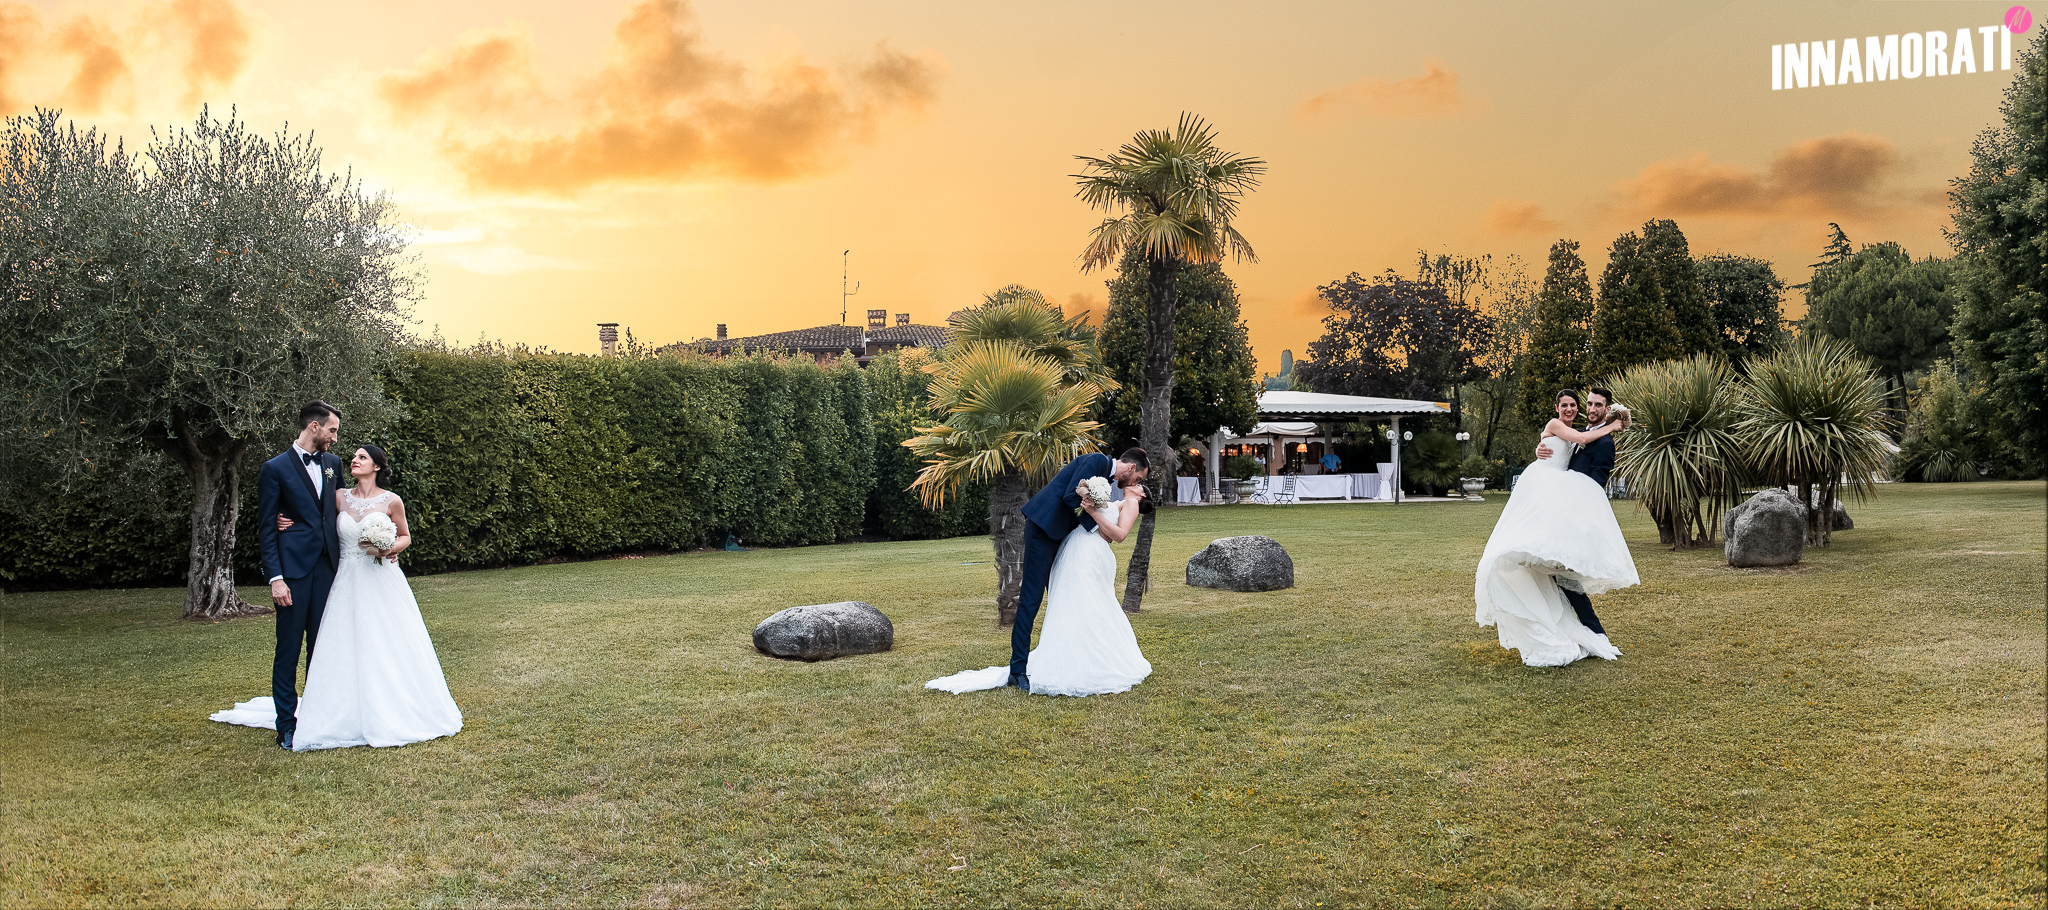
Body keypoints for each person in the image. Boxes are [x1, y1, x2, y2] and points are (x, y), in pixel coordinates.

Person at [213, 444, 462, 750]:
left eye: (362, 457)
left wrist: (389, 549)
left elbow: (405, 536)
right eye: (354, 457)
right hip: (343, 578)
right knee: (341, 644)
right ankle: (336, 710)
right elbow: (309, 516)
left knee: (384, 642)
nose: (353, 461)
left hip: (381, 579)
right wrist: (282, 516)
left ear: (377, 466)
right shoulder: (338, 497)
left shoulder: (392, 500)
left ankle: (390, 706)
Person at [926, 448, 1152, 695]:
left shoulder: (1106, 479)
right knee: (1031, 599)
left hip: (1065, 537)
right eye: (1139, 479)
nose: (1135, 483)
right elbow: (1069, 496)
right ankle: (1017, 671)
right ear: (1131, 468)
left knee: (1067, 598)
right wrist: (1096, 529)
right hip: (1044, 529)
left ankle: (1069, 659)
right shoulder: (1096, 461)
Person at [1472, 388, 1639, 667]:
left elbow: (1596, 482)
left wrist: (1610, 428)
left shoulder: (1605, 442)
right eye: (1586, 403)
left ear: (1607, 408)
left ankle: (1589, 633)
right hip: (1550, 504)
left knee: (1563, 574)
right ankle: (1576, 630)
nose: (1586, 408)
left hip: (1573, 512)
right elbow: (1566, 446)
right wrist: (1541, 450)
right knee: (1553, 571)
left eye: (1596, 404)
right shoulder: (1574, 429)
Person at [251, 401, 344, 751]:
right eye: (332, 430)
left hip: (328, 571)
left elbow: (340, 511)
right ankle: (286, 726)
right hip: (291, 574)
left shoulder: (333, 465)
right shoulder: (273, 469)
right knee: (288, 651)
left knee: (323, 650)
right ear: (315, 428)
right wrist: (275, 577)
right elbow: (265, 529)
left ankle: (320, 720)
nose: (335, 439)